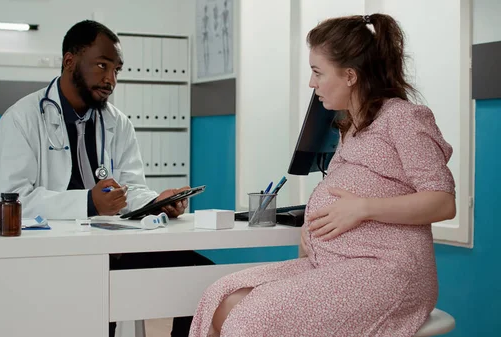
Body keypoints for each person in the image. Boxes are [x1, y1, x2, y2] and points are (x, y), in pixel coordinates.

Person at [189, 13, 456, 337]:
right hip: (337, 263)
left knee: (255, 315)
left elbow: (442, 202)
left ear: (349, 75)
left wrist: (363, 208)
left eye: (317, 72)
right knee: (222, 296)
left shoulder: (403, 118)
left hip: (389, 272)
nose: (311, 83)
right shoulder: (351, 127)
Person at [0, 20, 213, 337]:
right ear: (70, 62)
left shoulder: (117, 123)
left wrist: (155, 203)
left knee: (198, 276)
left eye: (116, 70)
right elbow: (13, 202)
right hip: (52, 258)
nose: (110, 80)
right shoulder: (21, 120)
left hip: (114, 250)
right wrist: (88, 203)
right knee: (96, 294)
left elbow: (130, 188)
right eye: (101, 66)